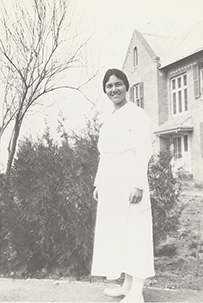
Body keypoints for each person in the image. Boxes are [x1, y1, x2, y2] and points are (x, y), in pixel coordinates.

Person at [91, 68, 155, 303]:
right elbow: (104, 155)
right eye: (109, 86)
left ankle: (137, 292)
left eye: (118, 84)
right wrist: (99, 183)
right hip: (111, 183)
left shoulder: (137, 115)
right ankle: (127, 286)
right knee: (121, 232)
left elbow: (144, 150)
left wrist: (138, 184)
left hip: (130, 179)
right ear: (105, 91)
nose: (114, 89)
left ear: (126, 87)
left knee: (136, 232)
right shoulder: (110, 120)